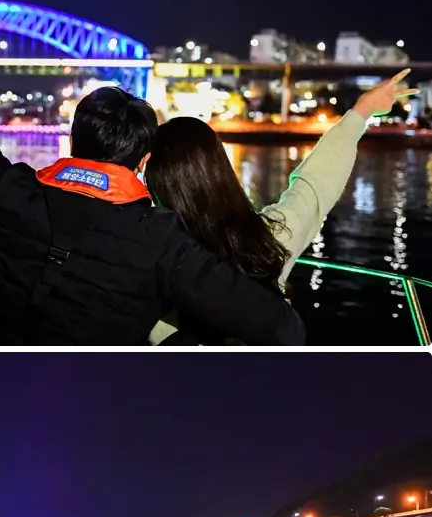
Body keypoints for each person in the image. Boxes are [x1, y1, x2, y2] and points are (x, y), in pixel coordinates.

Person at [0, 39, 304, 349]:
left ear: (74, 141)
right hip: (89, 407)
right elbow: (278, 328)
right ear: (144, 160)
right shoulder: (162, 241)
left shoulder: (10, 193)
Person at [145, 70, 419, 349]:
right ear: (220, 170)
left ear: (156, 179)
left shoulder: (147, 250)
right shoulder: (265, 240)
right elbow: (314, 185)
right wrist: (363, 111)